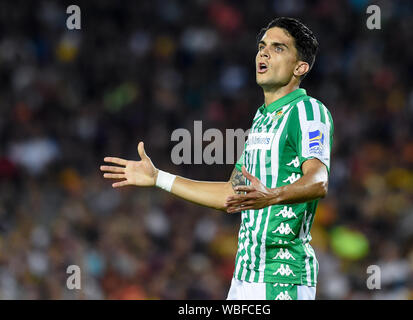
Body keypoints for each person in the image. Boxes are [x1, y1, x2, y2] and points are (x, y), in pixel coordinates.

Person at [100, 17, 333, 300]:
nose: (264, 53)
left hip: (281, 278)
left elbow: (319, 180)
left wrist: (272, 196)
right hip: (245, 277)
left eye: (278, 48)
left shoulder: (308, 111)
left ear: (300, 67)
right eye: (262, 46)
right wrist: (159, 178)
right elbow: (230, 195)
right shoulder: (261, 120)